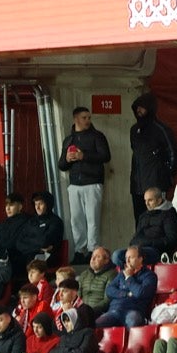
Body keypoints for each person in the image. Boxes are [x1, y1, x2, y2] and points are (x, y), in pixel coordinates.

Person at [59, 106, 111, 258]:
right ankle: (79, 250)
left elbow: (105, 156)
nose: (88, 120)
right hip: (74, 184)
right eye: (84, 118)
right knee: (76, 219)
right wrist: (67, 159)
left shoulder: (97, 136)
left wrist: (84, 156)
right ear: (76, 119)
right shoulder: (68, 140)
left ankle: (92, 250)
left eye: (89, 117)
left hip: (93, 183)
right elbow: (61, 165)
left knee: (92, 218)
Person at [129, 93, 177, 222]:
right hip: (137, 185)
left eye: (142, 107)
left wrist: (167, 175)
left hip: (155, 183)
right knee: (140, 220)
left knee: (157, 219)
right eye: (137, 107)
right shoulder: (134, 130)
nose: (139, 110)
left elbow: (173, 153)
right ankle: (141, 242)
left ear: (150, 108)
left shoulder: (161, 129)